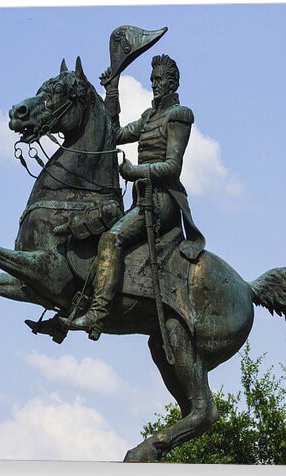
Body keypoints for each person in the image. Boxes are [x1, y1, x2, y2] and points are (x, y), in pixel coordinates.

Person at [70, 54, 205, 333]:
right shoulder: (148, 117)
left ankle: (97, 314)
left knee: (112, 238)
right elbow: (114, 133)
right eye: (152, 80)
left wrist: (135, 172)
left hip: (163, 200)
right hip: (141, 197)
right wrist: (112, 89)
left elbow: (172, 166)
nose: (154, 84)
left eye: (159, 80)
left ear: (172, 83)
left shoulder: (179, 115)